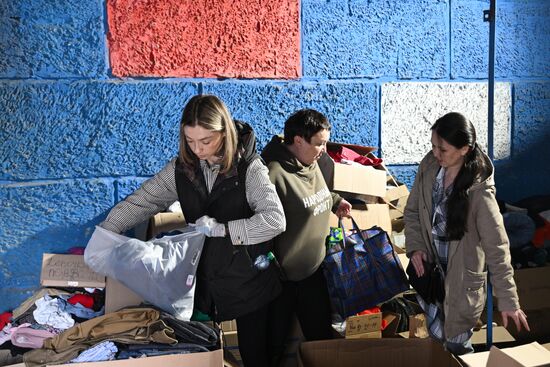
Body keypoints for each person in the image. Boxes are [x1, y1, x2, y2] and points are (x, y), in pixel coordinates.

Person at [99, 94, 286, 367]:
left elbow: (274, 220)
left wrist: (223, 229)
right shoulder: (182, 169)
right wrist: (107, 231)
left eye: (206, 141)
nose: (197, 149)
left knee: (255, 355)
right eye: (190, 140)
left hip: (249, 281)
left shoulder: (249, 168)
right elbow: (143, 200)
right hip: (205, 280)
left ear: (224, 132)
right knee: (205, 351)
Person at [404, 112, 530, 355]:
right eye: (433, 146)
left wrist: (508, 300)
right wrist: (417, 247)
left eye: (443, 149)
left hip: (462, 284)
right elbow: (412, 212)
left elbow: (497, 248)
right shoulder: (430, 167)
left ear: (464, 149)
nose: (435, 154)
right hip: (432, 276)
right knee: (435, 343)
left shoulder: (480, 192)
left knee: (456, 346)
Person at [261, 109, 351, 366]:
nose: (324, 149)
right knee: (274, 347)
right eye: (319, 143)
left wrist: (335, 201)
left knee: (321, 340)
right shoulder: (272, 174)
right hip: (283, 282)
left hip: (314, 272)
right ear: (298, 140)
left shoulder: (310, 162)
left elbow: (317, 194)